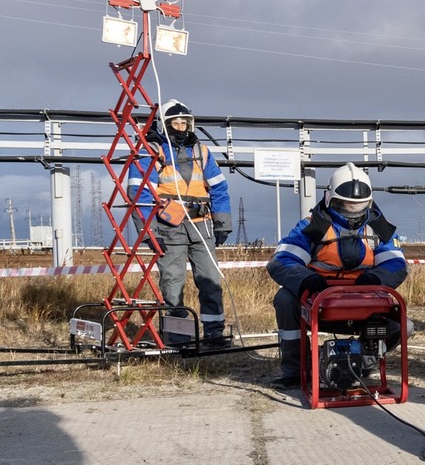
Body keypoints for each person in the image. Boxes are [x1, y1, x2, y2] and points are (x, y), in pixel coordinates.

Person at [266, 162, 408, 390]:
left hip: (364, 301)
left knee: (403, 326)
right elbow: (283, 260)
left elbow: (395, 263)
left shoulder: (380, 229)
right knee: (285, 299)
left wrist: (375, 280)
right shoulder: (312, 226)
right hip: (319, 301)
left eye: (358, 206)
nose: (352, 210)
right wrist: (306, 281)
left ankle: (359, 365)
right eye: (345, 205)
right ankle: (295, 371)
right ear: (330, 198)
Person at [128, 99, 233, 347]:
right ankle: (178, 337)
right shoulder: (150, 151)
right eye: (175, 122)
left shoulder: (201, 152)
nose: (180, 125)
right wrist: (149, 232)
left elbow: (219, 188)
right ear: (164, 124)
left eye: (184, 121)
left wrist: (223, 223)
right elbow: (139, 194)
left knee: (210, 281)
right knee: (172, 283)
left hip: (202, 225)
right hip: (169, 227)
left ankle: (214, 334)